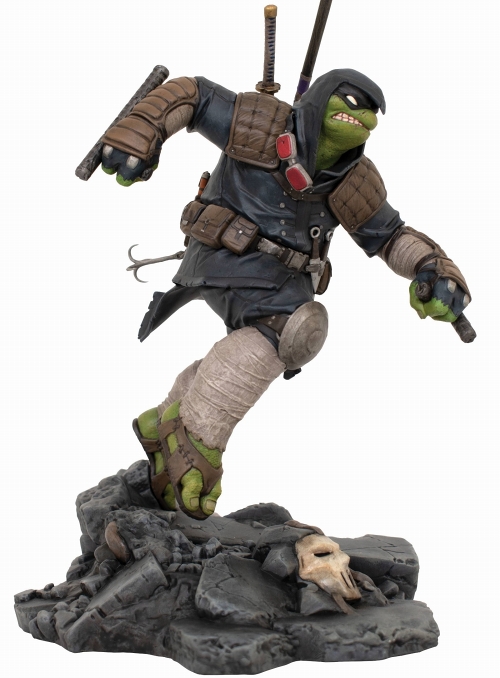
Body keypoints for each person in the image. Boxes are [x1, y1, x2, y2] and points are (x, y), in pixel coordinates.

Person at [99, 69, 471, 520]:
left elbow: (390, 236)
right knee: (292, 329)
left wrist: (433, 269)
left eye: (372, 112)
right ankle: (196, 444)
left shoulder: (353, 178)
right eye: (351, 102)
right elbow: (193, 96)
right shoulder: (258, 123)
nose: (363, 116)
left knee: (287, 330)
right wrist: (141, 131)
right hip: (224, 254)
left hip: (283, 282)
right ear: (321, 100)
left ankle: (164, 419)